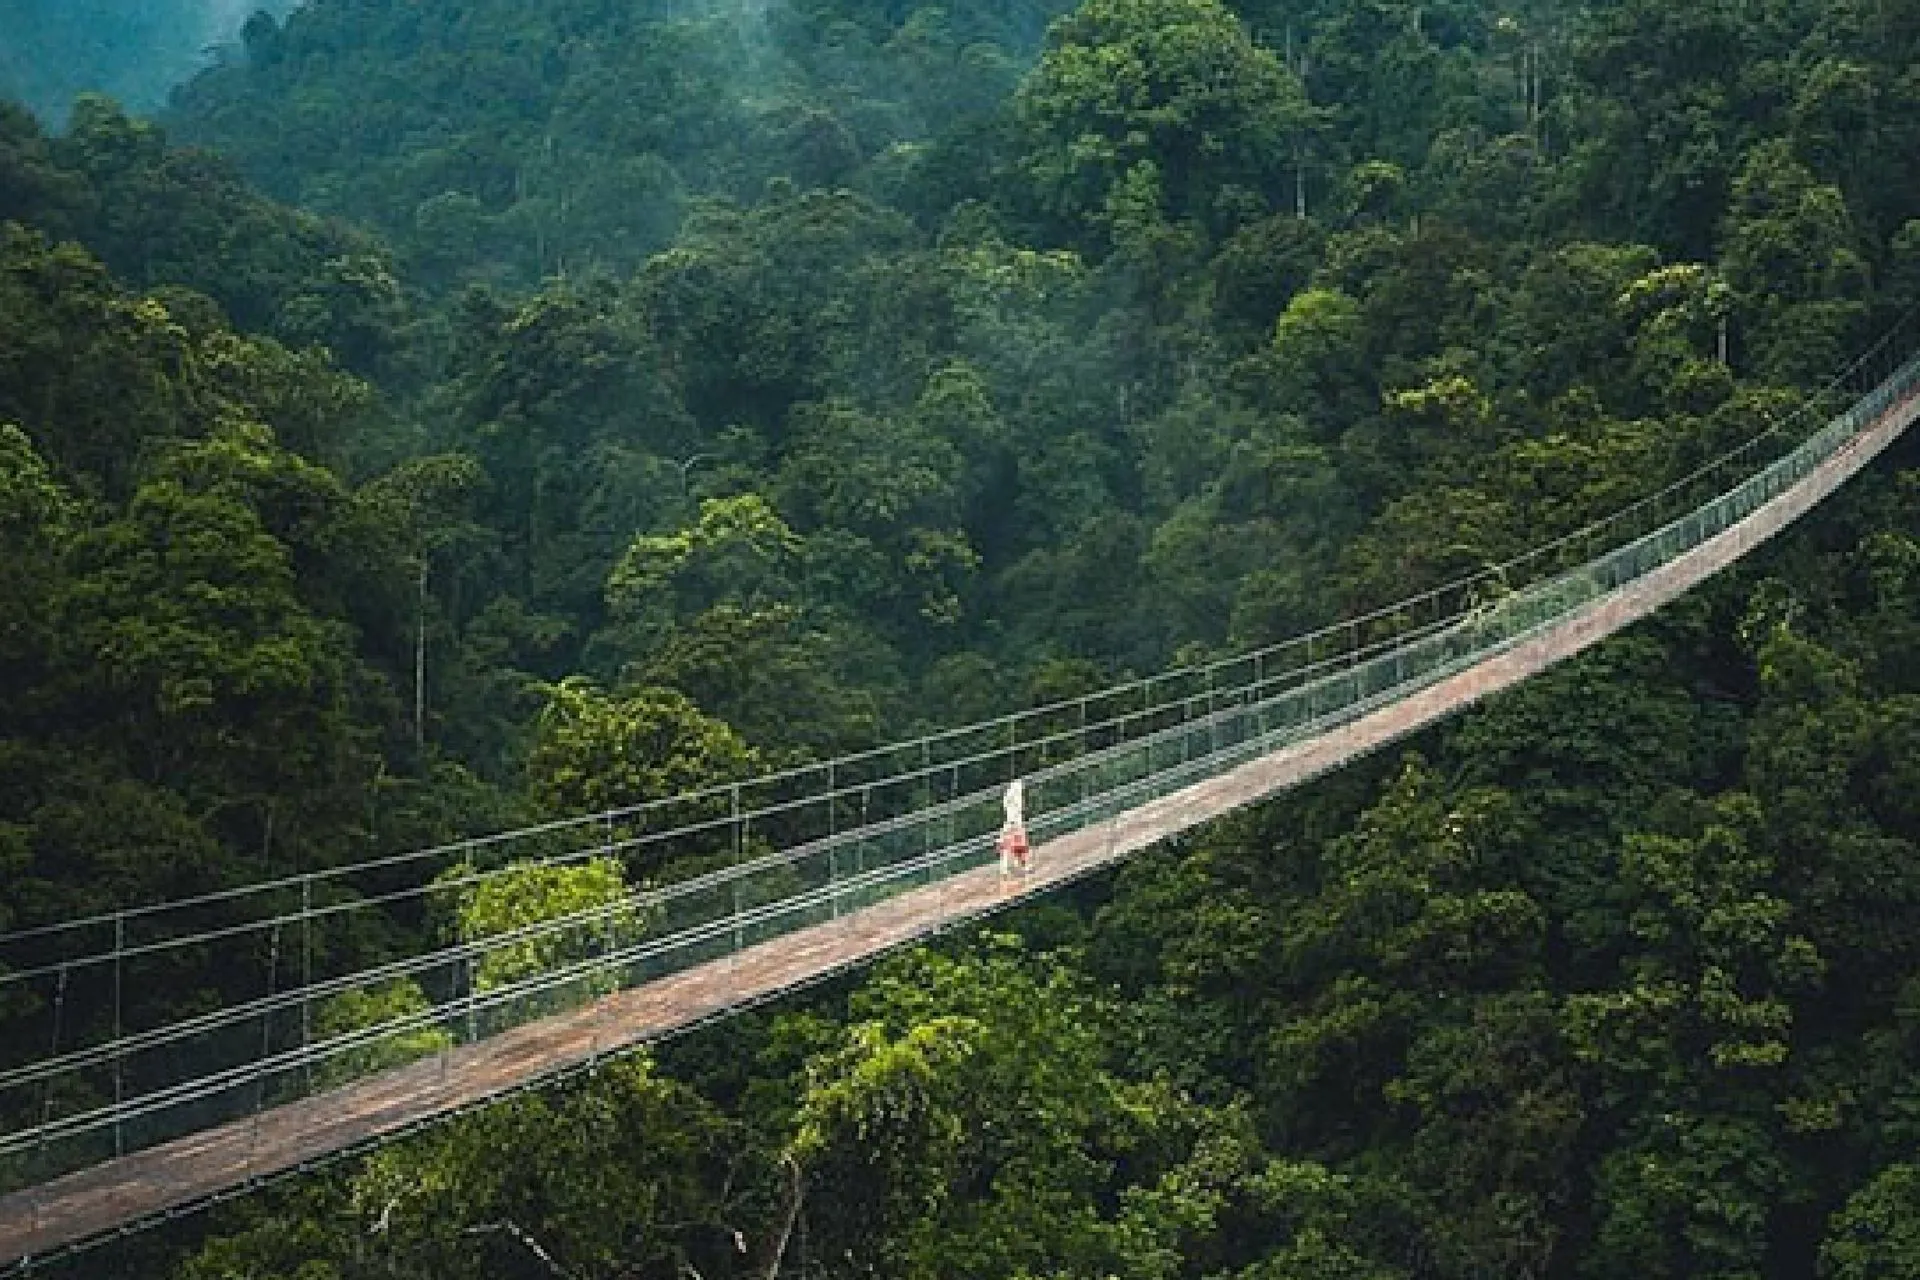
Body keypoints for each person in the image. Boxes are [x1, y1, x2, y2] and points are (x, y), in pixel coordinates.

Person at [997, 779, 1030, 878]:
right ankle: (1008, 868)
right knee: (1015, 846)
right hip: (1014, 824)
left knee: (1013, 847)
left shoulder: (1010, 799)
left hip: (1013, 824)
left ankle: (1008, 868)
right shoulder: (1013, 799)